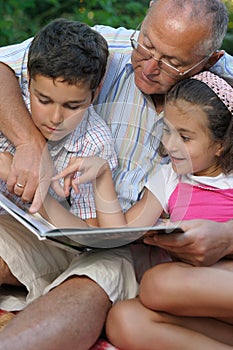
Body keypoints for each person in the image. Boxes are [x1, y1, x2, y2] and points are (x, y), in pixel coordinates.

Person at [0, 1, 233, 349]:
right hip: (53, 220)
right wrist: (29, 145)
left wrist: (228, 236)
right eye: (148, 44)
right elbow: (4, 68)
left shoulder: (224, 92)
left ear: (209, 60)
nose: (150, 66)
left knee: (96, 279)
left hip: (131, 251)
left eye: (172, 62)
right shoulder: (103, 48)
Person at [68, 70, 233, 349]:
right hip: (202, 306)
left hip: (218, 287)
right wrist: (102, 176)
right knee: (124, 318)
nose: (170, 145)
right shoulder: (169, 179)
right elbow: (119, 232)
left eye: (185, 137)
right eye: (167, 130)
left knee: (158, 283)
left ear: (220, 144)